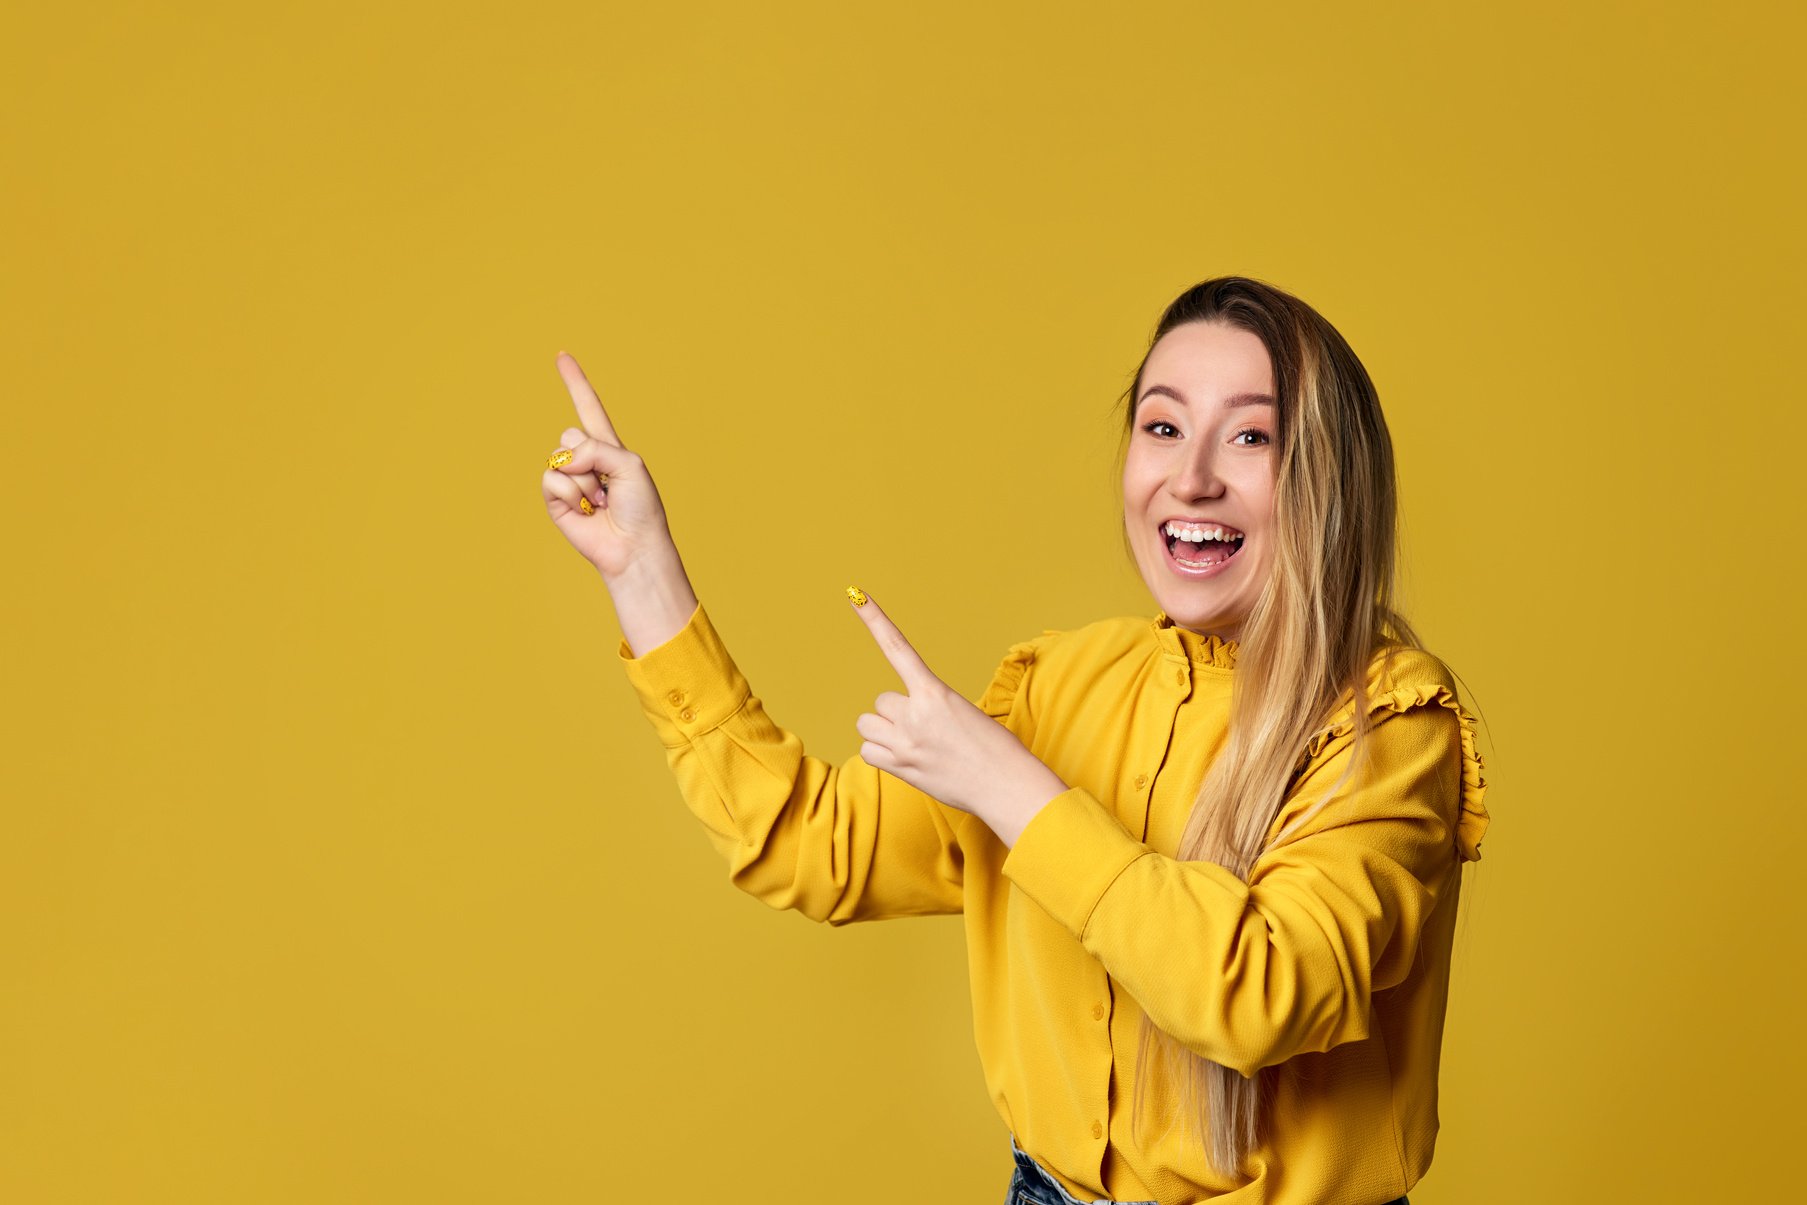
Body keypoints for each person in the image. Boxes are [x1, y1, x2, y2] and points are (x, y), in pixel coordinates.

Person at [539, 276, 1490, 1205]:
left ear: (1329, 475)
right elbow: (806, 846)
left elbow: (1260, 994)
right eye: (1161, 427)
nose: (1190, 475)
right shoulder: (1058, 683)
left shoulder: (1393, 729)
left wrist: (1011, 787)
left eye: (1251, 436)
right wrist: (643, 575)